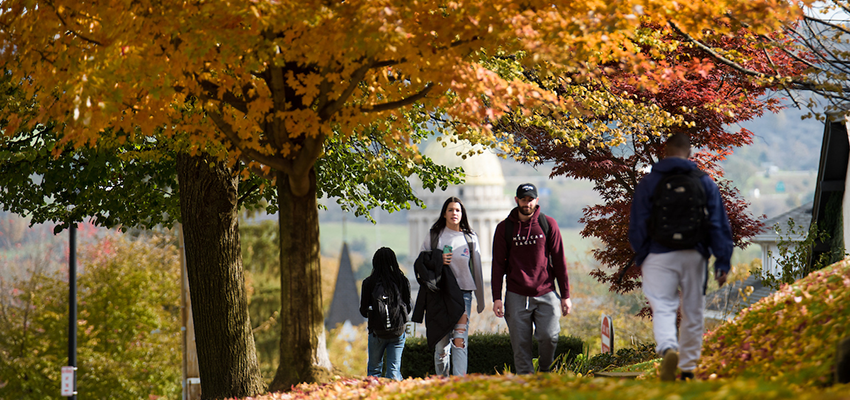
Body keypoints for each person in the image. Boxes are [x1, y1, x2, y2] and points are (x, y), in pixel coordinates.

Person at [628, 132, 733, 382]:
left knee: (663, 306)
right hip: (694, 254)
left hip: (657, 253)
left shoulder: (649, 182)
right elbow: (719, 224)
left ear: (664, 151)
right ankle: (687, 369)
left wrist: (643, 253)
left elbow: (637, 223)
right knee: (693, 311)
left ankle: (668, 348)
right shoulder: (704, 181)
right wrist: (722, 261)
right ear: (689, 152)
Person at [492, 183, 572, 374]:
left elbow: (560, 260)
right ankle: (526, 387)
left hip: (546, 292)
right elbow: (497, 265)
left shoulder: (548, 224)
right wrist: (497, 297)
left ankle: (545, 371)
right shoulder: (504, 228)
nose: (527, 203)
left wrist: (565, 295)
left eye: (530, 200)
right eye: (523, 199)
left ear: (536, 201)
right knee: (521, 346)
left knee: (550, 336)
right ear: (516, 200)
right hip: (516, 294)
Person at [412, 196, 485, 376]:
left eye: (458, 210)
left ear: (462, 214)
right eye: (451, 210)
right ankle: (442, 382)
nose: (454, 213)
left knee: (460, 341)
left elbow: (477, 270)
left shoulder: (470, 237)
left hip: (463, 295)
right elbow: (421, 262)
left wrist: (481, 299)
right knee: (441, 346)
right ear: (444, 213)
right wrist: (438, 259)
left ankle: (459, 385)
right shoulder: (434, 235)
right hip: (440, 295)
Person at [359, 247, 411, 381]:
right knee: (394, 371)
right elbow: (408, 307)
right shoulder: (402, 281)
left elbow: (363, 311)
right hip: (398, 332)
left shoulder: (368, 283)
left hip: (377, 332)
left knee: (374, 371)